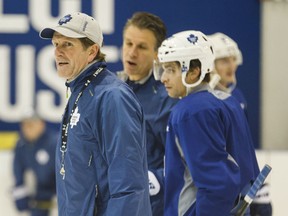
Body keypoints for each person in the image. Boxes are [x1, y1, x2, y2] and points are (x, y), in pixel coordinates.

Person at [39, 12, 151, 216]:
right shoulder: (80, 92)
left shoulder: (112, 97)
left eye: (68, 45)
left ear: (92, 52)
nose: (58, 52)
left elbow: (128, 184)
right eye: (56, 44)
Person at [153, 30, 260, 215]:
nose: (163, 77)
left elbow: (215, 183)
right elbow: (248, 172)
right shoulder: (228, 101)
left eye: (171, 69)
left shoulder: (191, 112)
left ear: (194, 71)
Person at [117, 11, 178, 215]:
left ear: (157, 54)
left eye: (141, 47)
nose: (131, 53)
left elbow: (183, 163)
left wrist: (152, 180)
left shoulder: (167, 99)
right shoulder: (111, 90)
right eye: (128, 43)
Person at [207, 32, 273, 216]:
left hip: (238, 186)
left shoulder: (237, 97)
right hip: (217, 189)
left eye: (233, 59)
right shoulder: (201, 103)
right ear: (209, 65)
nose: (231, 65)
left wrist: (256, 184)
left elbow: (244, 147)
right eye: (223, 61)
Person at [12, 108, 57, 216]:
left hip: (57, 196)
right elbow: (18, 170)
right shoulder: (21, 145)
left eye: (31, 125)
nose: (27, 129)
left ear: (41, 124)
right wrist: (20, 192)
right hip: (36, 198)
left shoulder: (55, 143)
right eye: (24, 125)